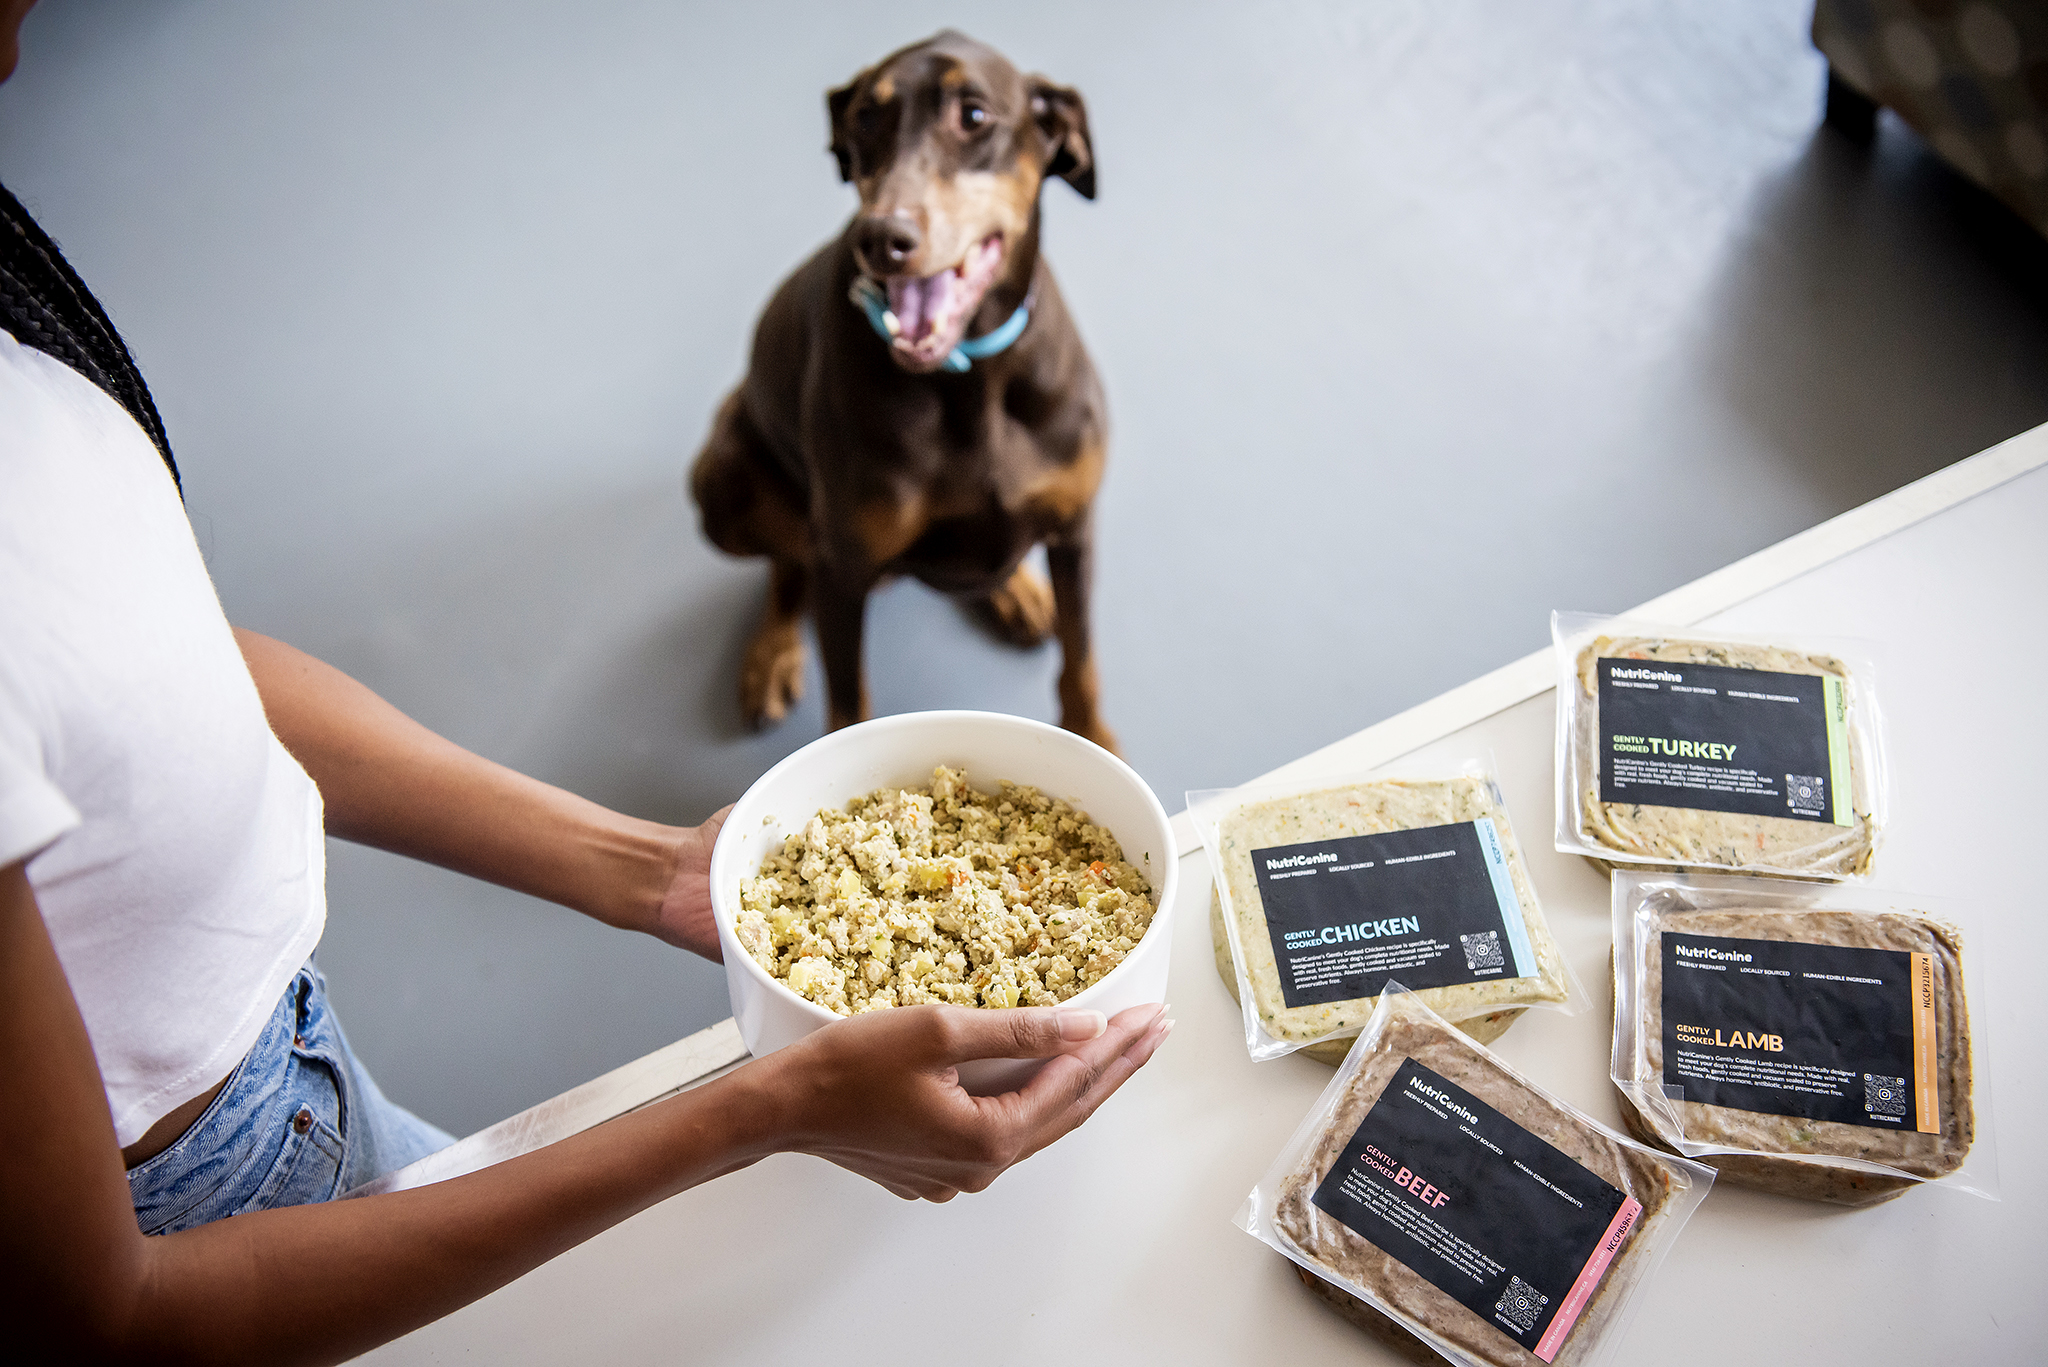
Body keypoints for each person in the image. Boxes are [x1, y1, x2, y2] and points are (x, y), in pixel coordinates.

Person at [0, 5, 1171, 1360]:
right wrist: (772, 1106)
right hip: (203, 1196)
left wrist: (654, 869)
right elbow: (104, 1311)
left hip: (285, 1039)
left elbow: (169, 657)